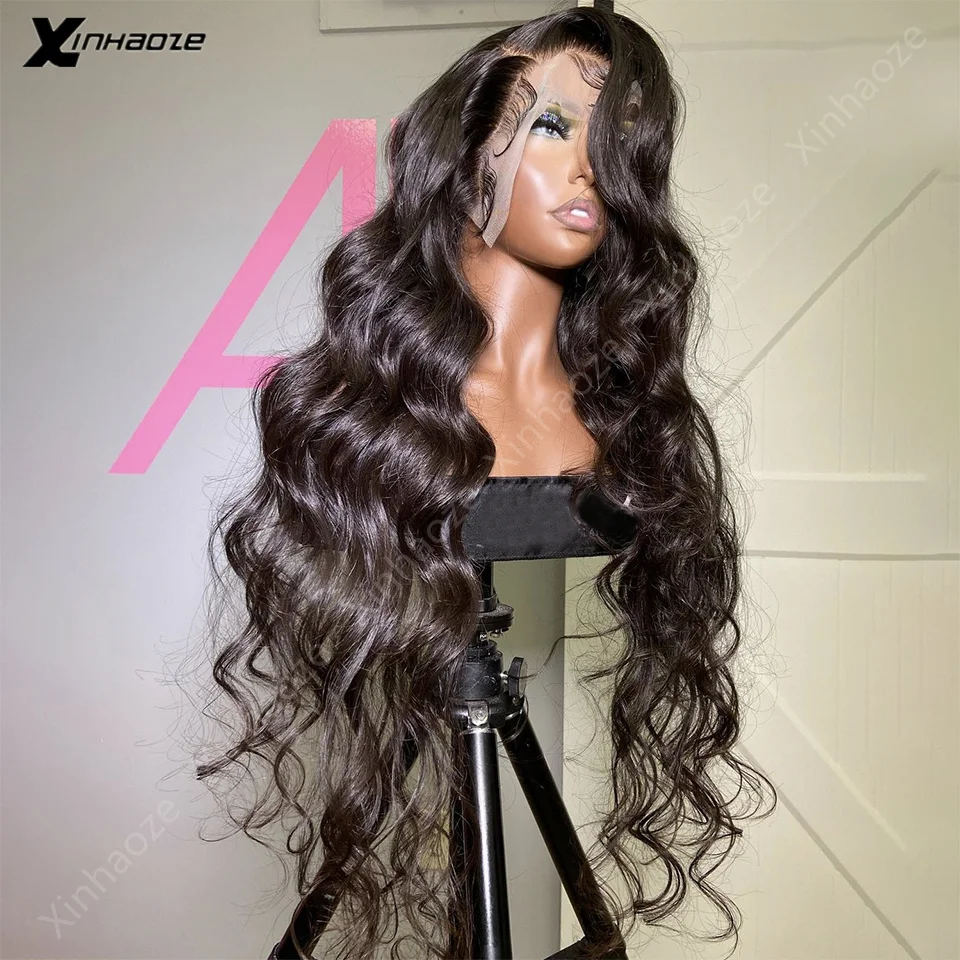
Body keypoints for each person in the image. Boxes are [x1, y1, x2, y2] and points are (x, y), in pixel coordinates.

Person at [192, 6, 777, 958]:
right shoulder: (358, 426)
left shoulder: (629, 430)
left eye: (617, 135)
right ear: (462, 158)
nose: (592, 166)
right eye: (550, 125)